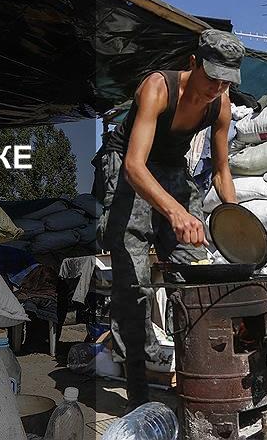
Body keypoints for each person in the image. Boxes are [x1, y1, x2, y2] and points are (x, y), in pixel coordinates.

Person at [95, 29, 243, 405]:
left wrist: (236, 221)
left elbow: (221, 170)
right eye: (212, 77)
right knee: (134, 279)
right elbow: (134, 165)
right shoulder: (157, 88)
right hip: (128, 164)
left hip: (172, 168)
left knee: (195, 272)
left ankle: (194, 369)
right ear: (193, 63)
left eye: (226, 81)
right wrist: (175, 213)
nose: (216, 88)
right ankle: (139, 383)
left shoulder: (221, 104)